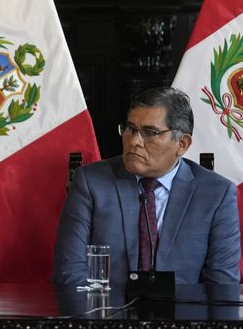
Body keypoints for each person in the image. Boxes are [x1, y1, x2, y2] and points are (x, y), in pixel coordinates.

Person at [53, 86, 240, 286]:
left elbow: (221, 286)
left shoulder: (216, 194)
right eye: (130, 129)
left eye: (150, 132)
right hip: (104, 312)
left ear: (182, 144)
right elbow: (69, 272)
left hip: (184, 314)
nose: (134, 141)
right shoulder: (91, 182)